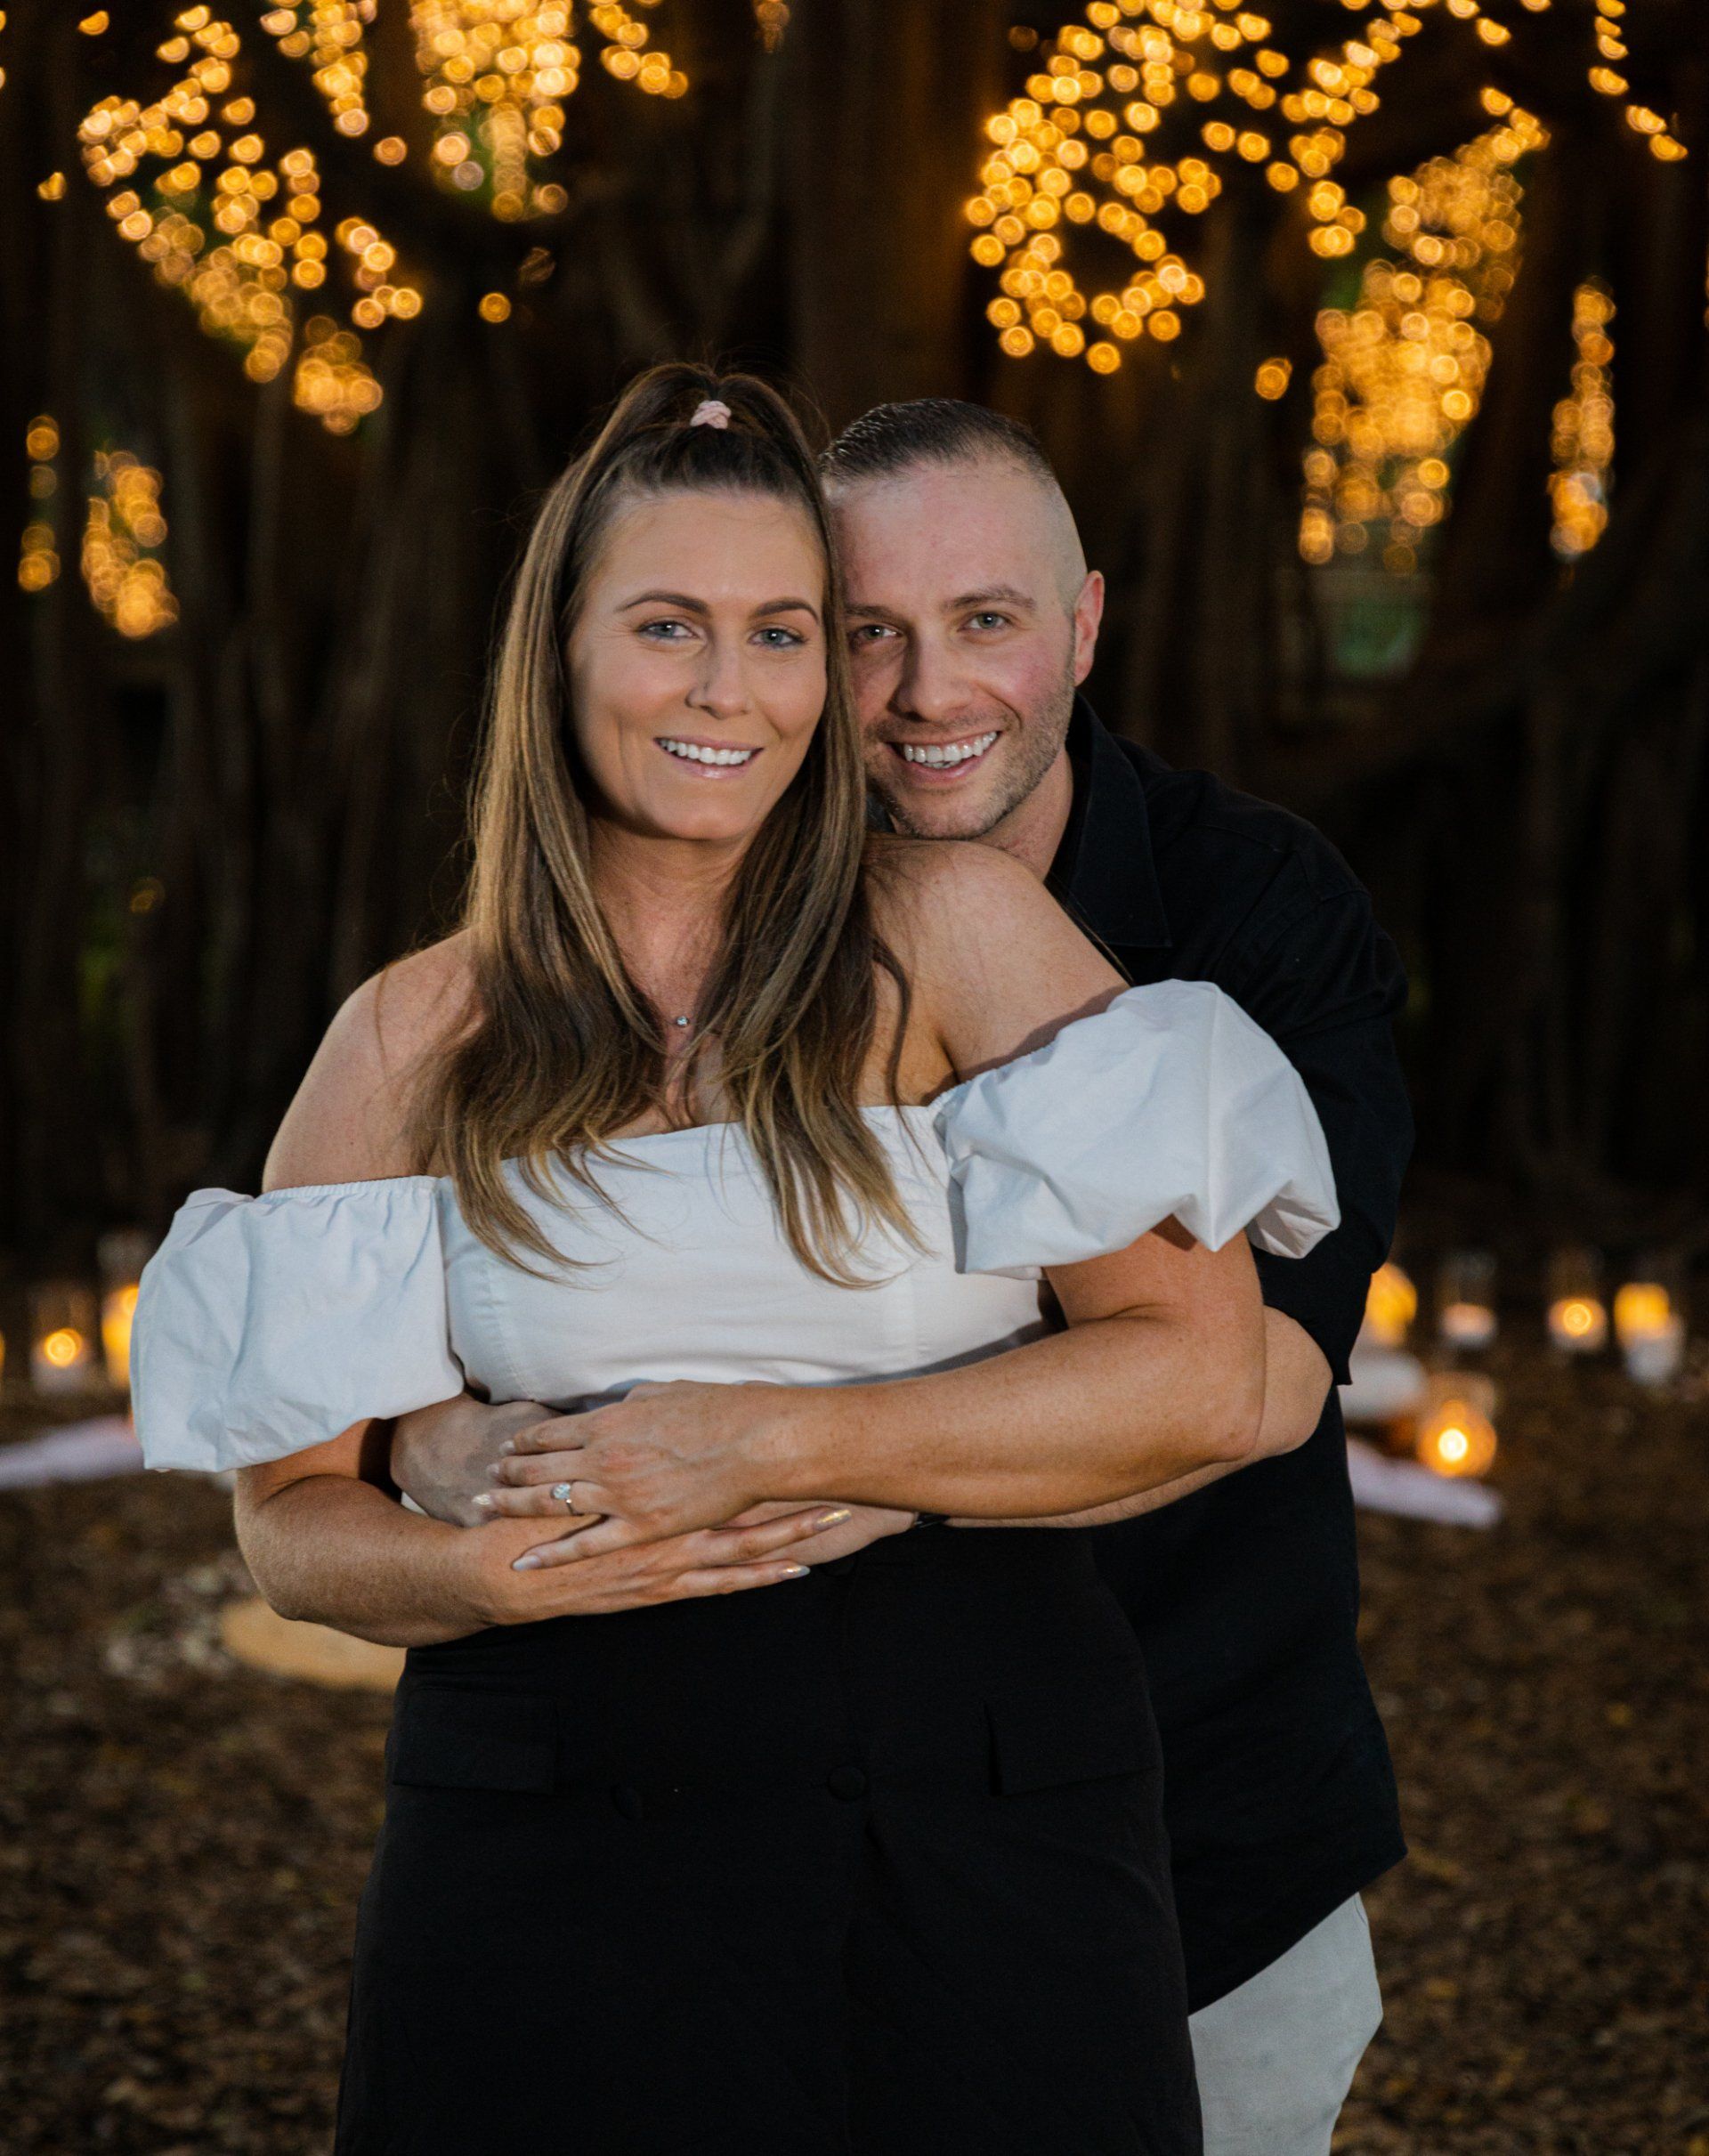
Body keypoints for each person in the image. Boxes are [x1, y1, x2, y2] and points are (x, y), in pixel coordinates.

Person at [129, 366, 1342, 2155]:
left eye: (786, 632)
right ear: (557, 649)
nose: (730, 689)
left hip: (980, 1832)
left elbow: (1202, 1367)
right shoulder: (411, 1036)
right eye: (670, 626)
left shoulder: (955, 935)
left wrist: (784, 1440)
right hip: (542, 1845)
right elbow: (291, 1521)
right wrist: (485, 1579)